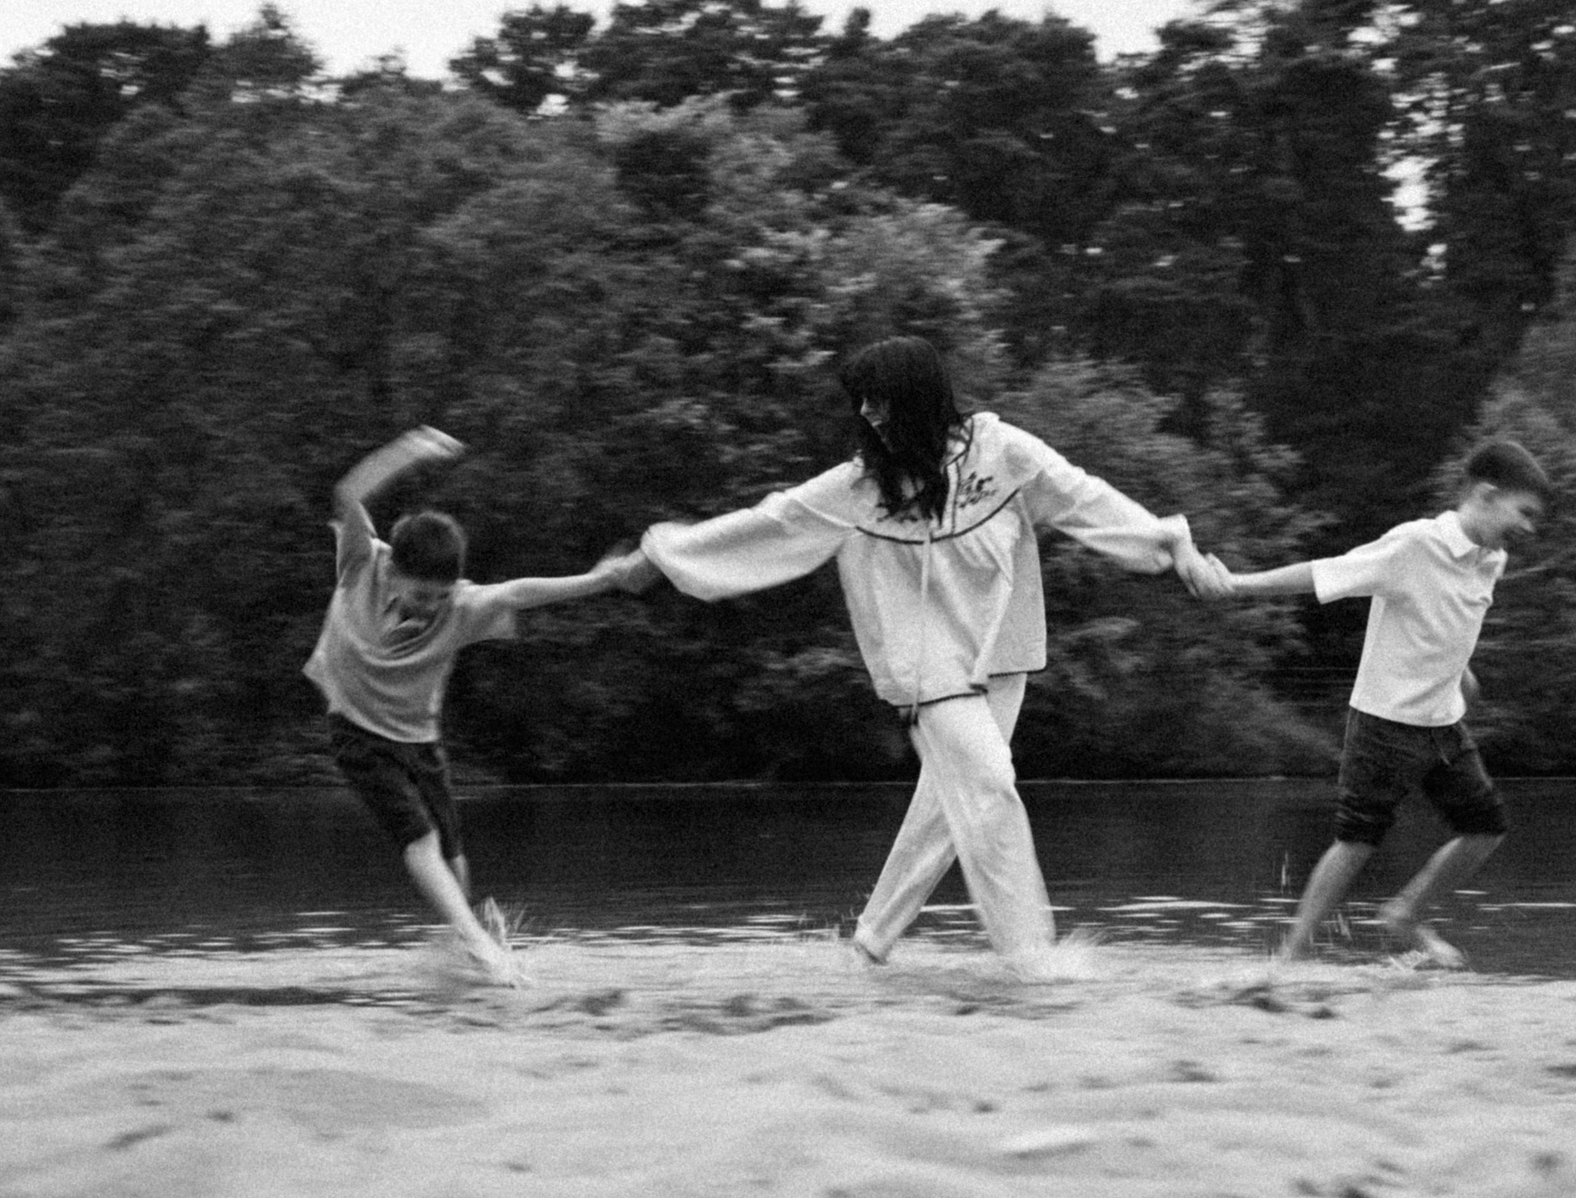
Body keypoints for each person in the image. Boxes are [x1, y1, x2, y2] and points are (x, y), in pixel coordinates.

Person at [614, 336, 1230, 964]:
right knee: (989, 786)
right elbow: (774, 522)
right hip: (925, 666)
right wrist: (663, 556)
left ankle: (870, 946)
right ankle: (1036, 965)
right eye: (861, 406)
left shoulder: (1003, 452)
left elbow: (1083, 496)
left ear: (916, 400)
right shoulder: (859, 488)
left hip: (1002, 651)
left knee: (946, 807)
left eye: (879, 405)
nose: (867, 418)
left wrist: (1170, 543)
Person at [303, 426, 635, 982]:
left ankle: (461, 952)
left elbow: (521, 592)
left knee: (454, 857)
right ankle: (482, 949)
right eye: (420, 594)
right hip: (356, 732)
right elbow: (347, 496)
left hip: (420, 739)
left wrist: (600, 579)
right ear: (394, 570)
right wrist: (408, 450)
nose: (431, 607)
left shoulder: (461, 605)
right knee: (421, 840)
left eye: (441, 596)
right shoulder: (363, 564)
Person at [1204, 437, 1550, 966]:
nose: (1529, 527)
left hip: (1443, 724)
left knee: (1486, 827)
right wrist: (1235, 585)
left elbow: (1445, 620)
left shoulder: (1492, 559)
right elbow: (1327, 573)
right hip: (1384, 722)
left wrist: (1462, 675)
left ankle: (1406, 914)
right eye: (1523, 512)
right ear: (1485, 494)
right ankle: (1291, 956)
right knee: (1357, 841)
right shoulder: (1414, 546)